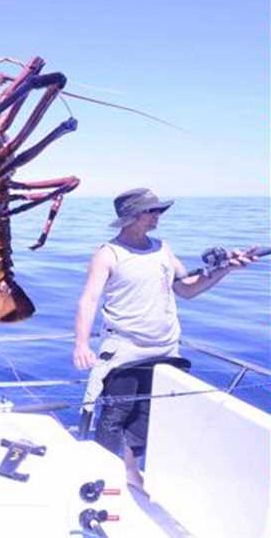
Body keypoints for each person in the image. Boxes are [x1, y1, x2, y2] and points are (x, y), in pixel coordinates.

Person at [73, 188, 256, 489]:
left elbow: (186, 288)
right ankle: (101, 475)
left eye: (159, 210)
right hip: (125, 349)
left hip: (165, 348)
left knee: (145, 416)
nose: (158, 216)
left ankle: (132, 474)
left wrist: (225, 270)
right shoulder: (108, 254)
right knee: (116, 414)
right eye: (152, 211)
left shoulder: (162, 248)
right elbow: (88, 300)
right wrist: (81, 344)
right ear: (132, 216)